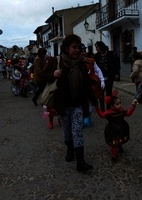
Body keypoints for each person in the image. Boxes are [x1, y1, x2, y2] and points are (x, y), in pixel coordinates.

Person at [42, 34, 98, 172]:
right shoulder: (56, 61)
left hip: (78, 104)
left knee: (77, 131)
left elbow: (86, 83)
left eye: (78, 47)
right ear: (66, 48)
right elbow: (41, 75)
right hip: (62, 105)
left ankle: (80, 161)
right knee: (67, 131)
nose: (77, 50)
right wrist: (52, 75)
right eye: (74, 47)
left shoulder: (80, 63)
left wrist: (94, 99)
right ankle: (70, 150)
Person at [96, 90, 137, 161]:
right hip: (112, 129)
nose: (120, 105)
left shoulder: (121, 110)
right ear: (112, 106)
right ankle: (114, 155)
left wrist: (133, 106)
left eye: (120, 103)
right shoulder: (109, 113)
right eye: (117, 104)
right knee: (114, 142)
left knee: (119, 137)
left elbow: (128, 113)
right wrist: (97, 108)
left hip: (121, 127)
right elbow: (102, 115)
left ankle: (120, 146)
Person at [80, 43, 105, 127]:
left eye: (84, 51)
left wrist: (102, 80)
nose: (83, 53)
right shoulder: (74, 62)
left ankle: (87, 118)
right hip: (79, 87)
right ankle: (81, 120)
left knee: (90, 103)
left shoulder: (91, 61)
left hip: (90, 86)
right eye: (81, 51)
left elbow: (98, 70)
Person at [94, 41, 120, 111]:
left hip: (109, 76)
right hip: (100, 77)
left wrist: (116, 73)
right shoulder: (96, 56)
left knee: (108, 93)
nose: (96, 49)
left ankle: (108, 107)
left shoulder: (110, 54)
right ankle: (102, 108)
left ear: (101, 47)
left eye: (97, 47)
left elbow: (115, 64)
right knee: (101, 94)